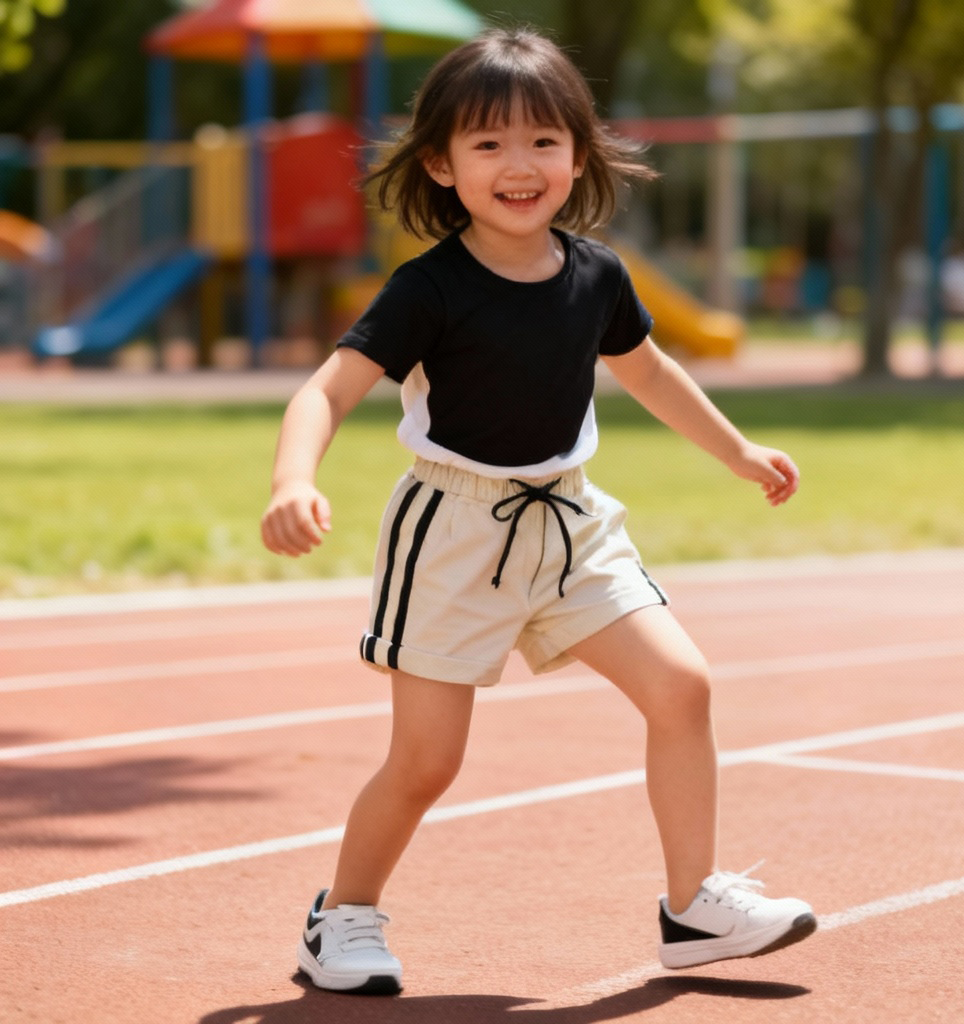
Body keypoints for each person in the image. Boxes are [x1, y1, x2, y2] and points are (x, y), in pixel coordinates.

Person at [261, 26, 816, 996]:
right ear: (439, 163)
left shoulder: (595, 273)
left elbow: (650, 370)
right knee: (427, 761)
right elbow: (326, 390)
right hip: (454, 533)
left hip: (571, 521)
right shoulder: (426, 288)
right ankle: (340, 915)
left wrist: (736, 450)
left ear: (578, 151)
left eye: (542, 141)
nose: (518, 165)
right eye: (487, 145)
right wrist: (291, 479)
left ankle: (693, 907)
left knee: (681, 687)